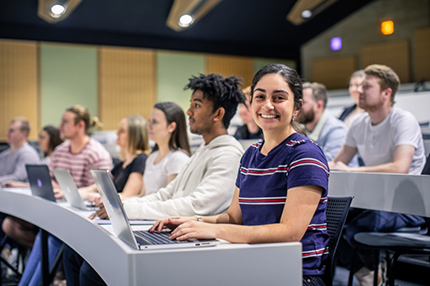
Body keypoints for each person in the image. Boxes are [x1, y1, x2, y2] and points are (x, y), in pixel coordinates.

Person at [150, 64, 330, 286]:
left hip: (295, 275)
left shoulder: (305, 154)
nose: (267, 105)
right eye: (260, 96)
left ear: (296, 107)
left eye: (279, 97)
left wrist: (213, 229)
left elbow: (289, 233)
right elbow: (234, 218)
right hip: (253, 263)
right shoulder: (251, 154)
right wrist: (192, 221)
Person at [63, 73, 246, 285]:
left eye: (197, 105)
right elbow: (165, 193)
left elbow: (197, 206)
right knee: (73, 252)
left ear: (218, 114)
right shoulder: (204, 151)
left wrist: (128, 209)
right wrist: (124, 205)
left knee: (90, 271)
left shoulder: (228, 154)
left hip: (193, 244)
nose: (189, 111)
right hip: (173, 233)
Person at [330, 64, 426, 285]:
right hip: (375, 203)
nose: (359, 91)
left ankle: (373, 277)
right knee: (329, 223)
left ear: (387, 93)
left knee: (356, 228)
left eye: (367, 87)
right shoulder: (358, 124)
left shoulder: (403, 120)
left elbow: (400, 167)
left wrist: (351, 170)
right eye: (360, 86)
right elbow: (338, 162)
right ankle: (370, 274)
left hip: (407, 207)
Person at [11, 105, 113, 286]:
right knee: (46, 235)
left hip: (86, 215)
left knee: (51, 237)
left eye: (66, 122)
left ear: (80, 125)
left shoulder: (96, 152)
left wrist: (69, 192)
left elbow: (102, 187)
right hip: (63, 211)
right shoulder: (60, 151)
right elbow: (47, 181)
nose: (60, 126)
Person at [79, 115, 149, 203]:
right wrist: (73, 193)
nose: (117, 133)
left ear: (135, 136)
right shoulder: (121, 164)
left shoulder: (141, 160)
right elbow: (96, 187)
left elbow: (127, 195)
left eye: (122, 131)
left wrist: (93, 196)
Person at [297, 82, 354, 163]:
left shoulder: (337, 130)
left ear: (319, 106)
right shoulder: (300, 130)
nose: (296, 106)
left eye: (303, 103)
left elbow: (329, 167)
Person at [142, 101, 190, 196]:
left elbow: (169, 199)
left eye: (154, 122)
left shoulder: (178, 159)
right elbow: (142, 195)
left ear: (171, 127)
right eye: (149, 122)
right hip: (145, 208)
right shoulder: (152, 157)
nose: (149, 127)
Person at [0, 117, 40, 184]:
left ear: (24, 134)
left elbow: (18, 178)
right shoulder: (4, 154)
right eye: (8, 130)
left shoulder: (27, 153)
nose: (7, 133)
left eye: (12, 131)